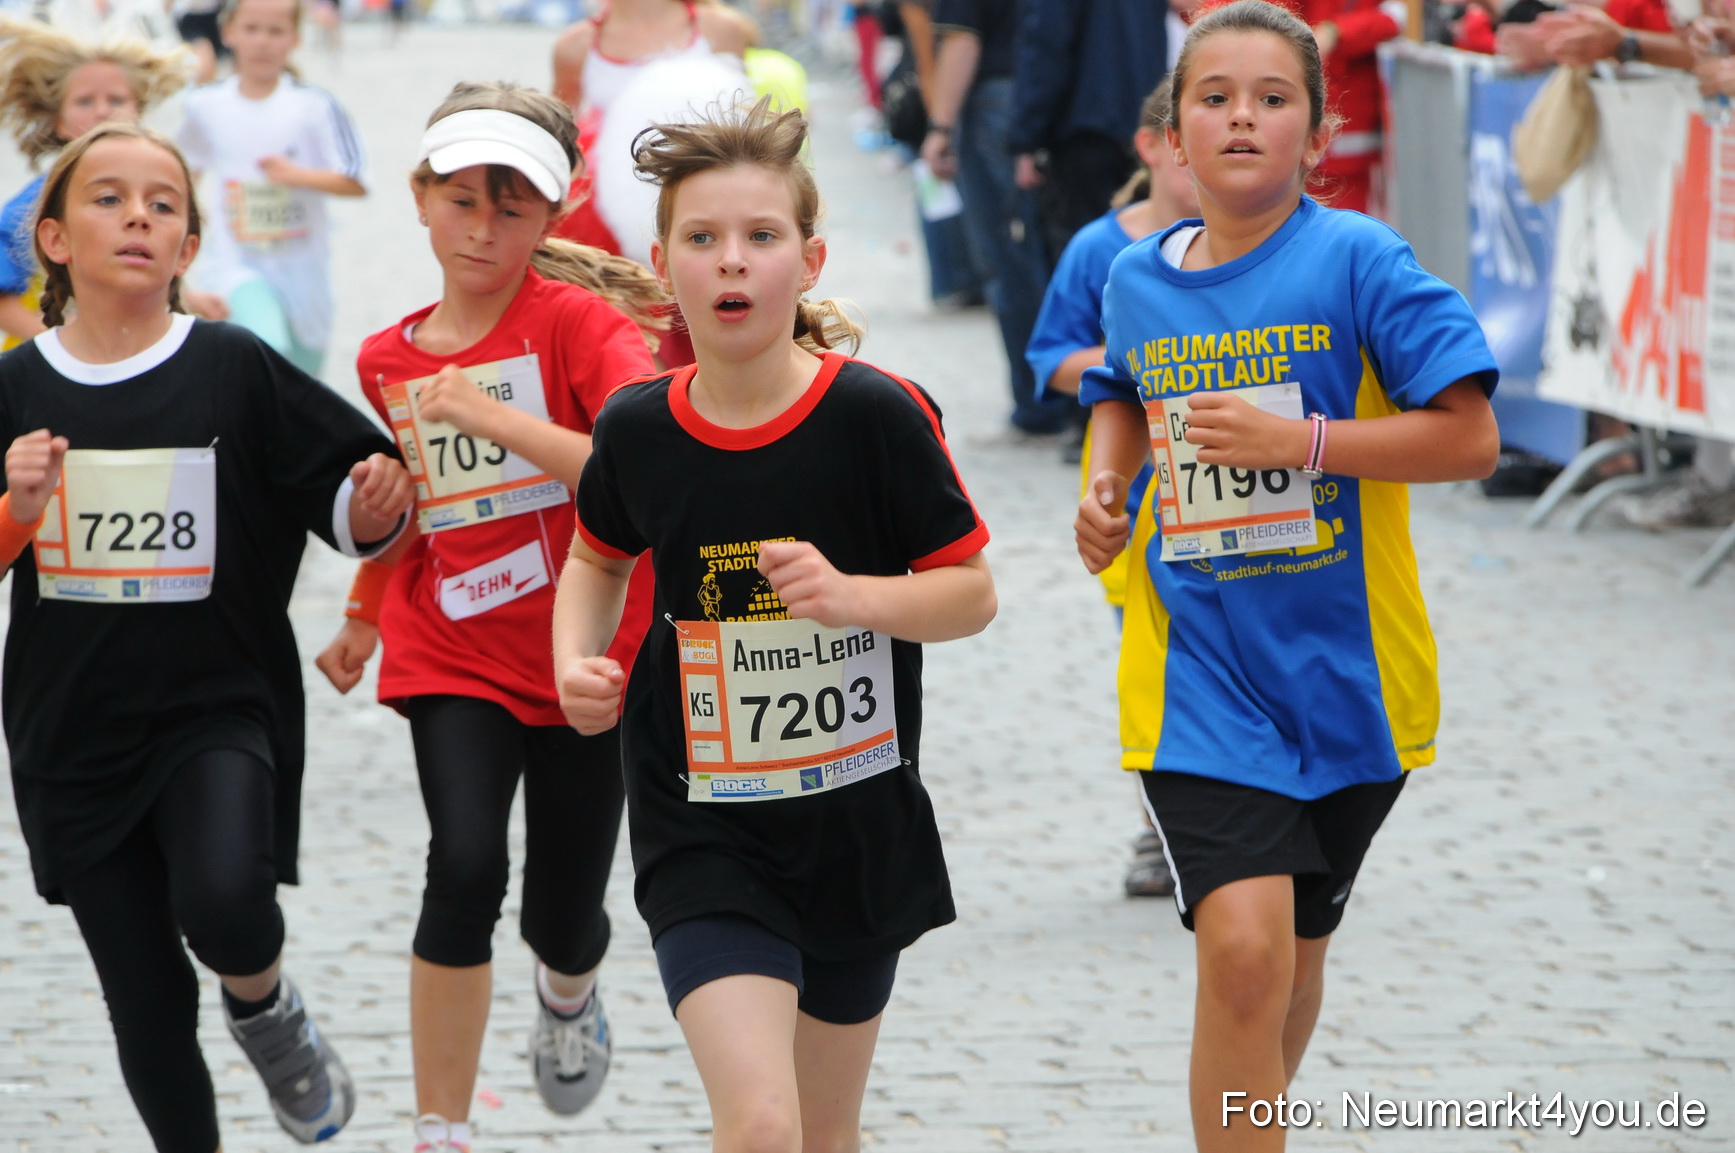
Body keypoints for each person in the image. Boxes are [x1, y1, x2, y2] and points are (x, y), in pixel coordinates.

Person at [1072, 4, 1500, 1149]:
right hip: (1197, 674)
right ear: (1172, 133)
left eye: (1272, 98)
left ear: (1317, 136)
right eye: (1214, 97)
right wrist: (1107, 491)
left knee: (1290, 965)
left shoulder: (1359, 258)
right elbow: (1117, 392)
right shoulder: (1135, 277)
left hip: (1350, 675)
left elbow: (1468, 439)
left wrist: (1302, 444)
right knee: (1245, 950)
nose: (1242, 117)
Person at [553, 97, 997, 1153]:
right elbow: (594, 554)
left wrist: (857, 598)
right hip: (698, 817)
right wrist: (573, 654)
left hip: (854, 822)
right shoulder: (640, 427)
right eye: (701, 240)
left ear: (809, 257)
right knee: (759, 1123)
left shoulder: (876, 415)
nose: (731, 263)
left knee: (821, 1134)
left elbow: (969, 592)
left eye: (760, 236)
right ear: (663, 265)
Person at [0, 123, 414, 1153]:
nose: (137, 215)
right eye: (107, 198)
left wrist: (373, 501)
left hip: (218, 702)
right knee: (144, 999)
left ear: (189, 247)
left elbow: (347, 495)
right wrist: (17, 506)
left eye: (163, 203)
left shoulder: (230, 363)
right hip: (73, 732)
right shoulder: (15, 389)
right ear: (52, 238)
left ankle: (266, 1004)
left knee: (229, 903)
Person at [312, 81, 662, 1153]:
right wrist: (365, 605)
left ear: (550, 219)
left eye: (510, 207)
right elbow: (421, 502)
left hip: (583, 654)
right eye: (460, 199)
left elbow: (636, 469)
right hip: (449, 644)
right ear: (419, 200)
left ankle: (568, 991)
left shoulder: (581, 324)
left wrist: (492, 415)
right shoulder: (388, 355)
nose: (481, 227)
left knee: (563, 908)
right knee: (463, 863)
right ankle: (441, 1127)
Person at [1026, 78, 1198, 898]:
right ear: (1153, 146)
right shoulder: (1105, 251)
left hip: (1250, 500)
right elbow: (1047, 356)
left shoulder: (1273, 249)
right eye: (1189, 133)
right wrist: (1135, 375)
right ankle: (1161, 826)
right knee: (1158, 661)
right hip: (1142, 505)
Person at [176, 0, 366, 377]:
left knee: (301, 378)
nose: (262, 42)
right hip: (234, 264)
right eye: (251, 29)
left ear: (294, 38)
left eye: (275, 31)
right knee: (266, 350)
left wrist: (297, 175)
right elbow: (177, 180)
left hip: (304, 271)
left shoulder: (314, 106)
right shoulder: (204, 105)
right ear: (228, 32)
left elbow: (355, 180)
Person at [921, 0, 1065, 436]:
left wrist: (940, 127)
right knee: (1051, 249)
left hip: (996, 100)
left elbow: (963, 38)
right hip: (1055, 95)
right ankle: (1064, 395)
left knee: (1011, 257)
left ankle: (1039, 402)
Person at [0, 19, 188, 350]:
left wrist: (193, 300)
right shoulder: (31, 207)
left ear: (138, 113)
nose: (102, 111)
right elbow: (3, 301)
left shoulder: (153, 204)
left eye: (116, 100)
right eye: (85, 101)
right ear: (59, 122)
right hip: (45, 374)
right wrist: (66, 346)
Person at [1009, 0, 1169, 261]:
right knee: (1145, 239)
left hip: (1084, 126)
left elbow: (1046, 49)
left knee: (1084, 248)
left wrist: (1026, 139)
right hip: (1144, 119)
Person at [551, 0, 757, 117]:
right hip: (612, 187)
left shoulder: (721, 29)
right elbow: (562, 139)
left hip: (704, 184)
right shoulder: (574, 46)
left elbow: (743, 121)